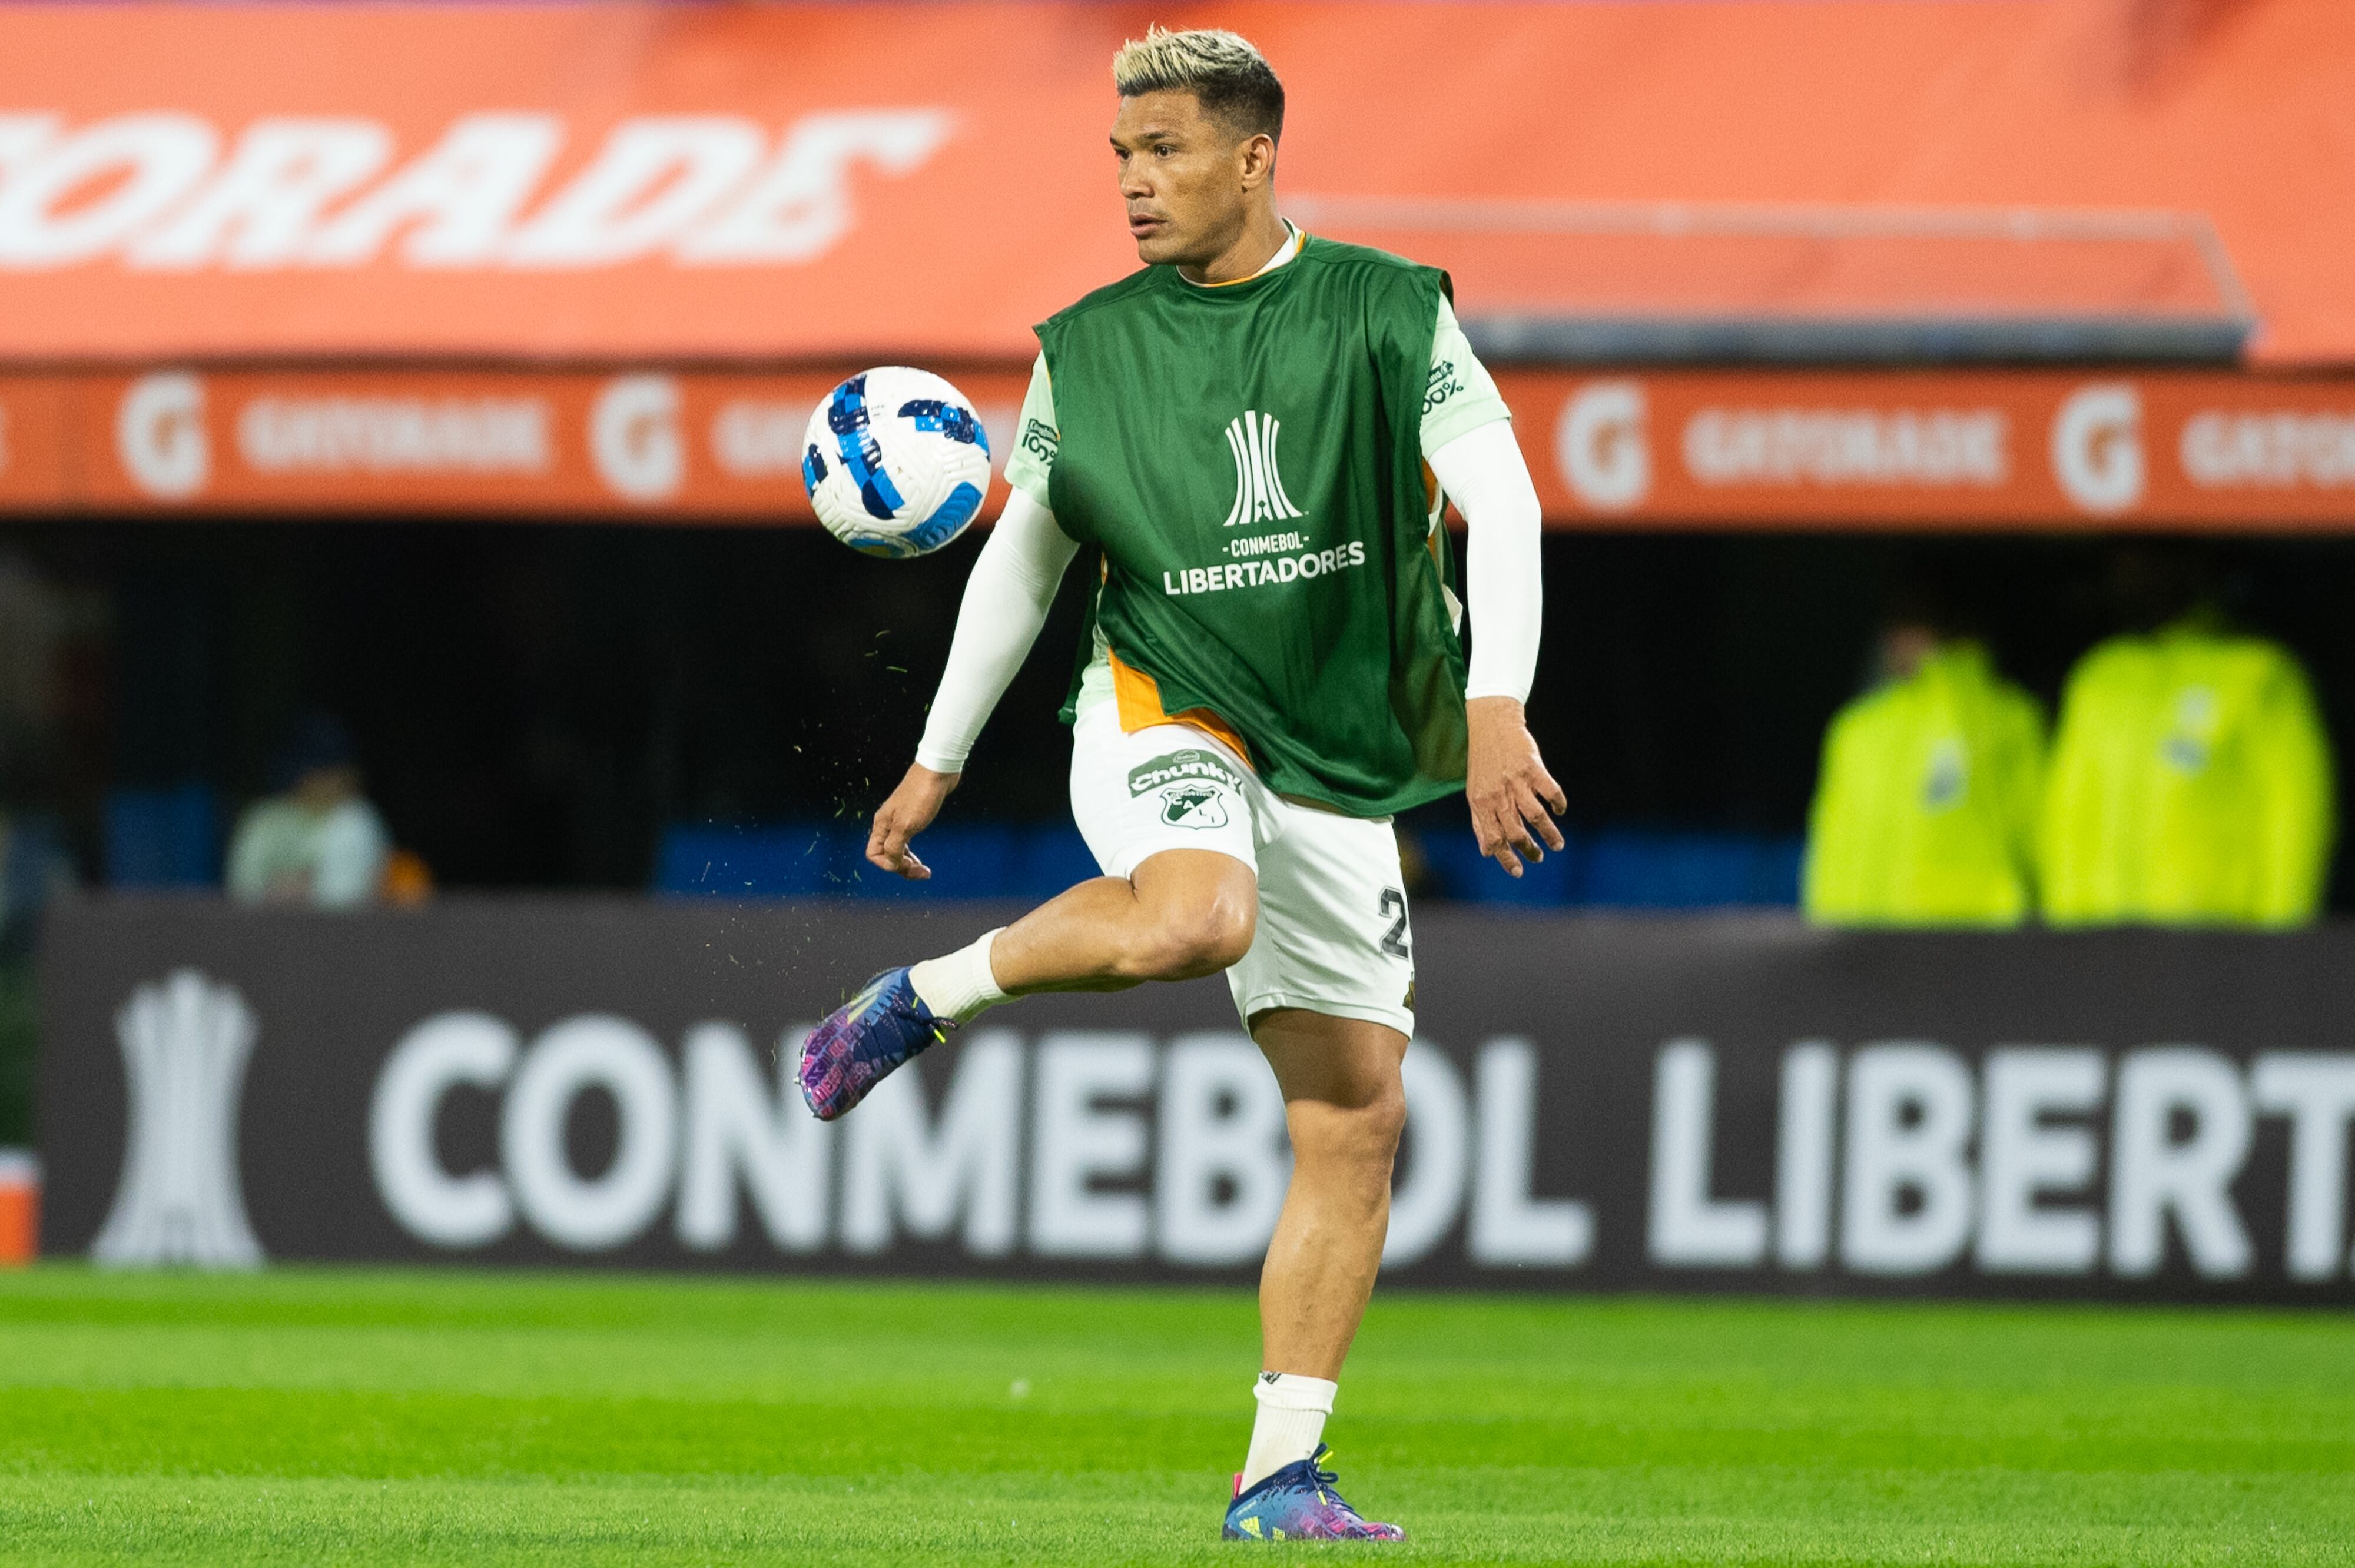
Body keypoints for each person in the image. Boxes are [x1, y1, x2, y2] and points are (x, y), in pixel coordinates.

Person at [798, 27, 1554, 1543]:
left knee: (1355, 1119)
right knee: (1196, 915)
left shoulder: (1388, 313)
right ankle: (922, 997)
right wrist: (938, 756)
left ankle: (1279, 1474)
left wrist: (1495, 710)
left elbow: (1506, 502)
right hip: (1164, 706)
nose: (1134, 185)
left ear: (1255, 156)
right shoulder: (1087, 344)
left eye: (1164, 154)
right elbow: (1025, 556)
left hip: (1341, 749)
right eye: (1120, 159)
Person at [2040, 553, 2334, 926]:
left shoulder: (2260, 674)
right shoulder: (2103, 676)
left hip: (2221, 941)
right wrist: (2065, 933)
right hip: (2104, 939)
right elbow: (2069, 812)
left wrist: (2281, 944)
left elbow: (2295, 813)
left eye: (2154, 554)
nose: (2132, 572)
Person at [1802, 596, 2046, 926]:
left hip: (1878, 943)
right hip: (1982, 939)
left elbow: (1831, 857)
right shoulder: (2009, 716)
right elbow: (2038, 840)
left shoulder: (1858, 728)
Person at [226, 714, 390, 909]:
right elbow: (242, 886)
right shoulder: (265, 818)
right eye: (320, 771)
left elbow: (352, 892)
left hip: (340, 934)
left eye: (336, 772)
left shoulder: (357, 819)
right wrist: (281, 889)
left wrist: (309, 888)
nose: (332, 781)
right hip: (266, 930)